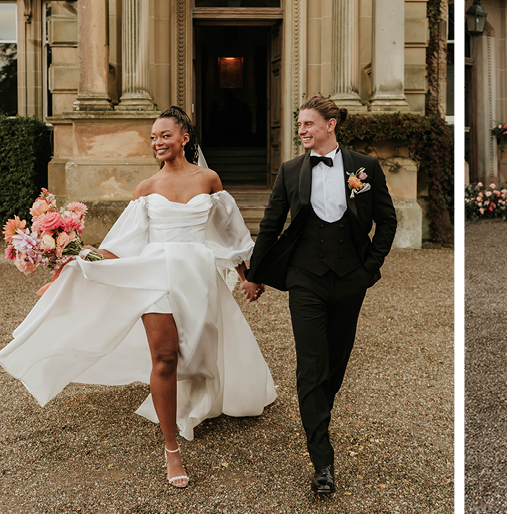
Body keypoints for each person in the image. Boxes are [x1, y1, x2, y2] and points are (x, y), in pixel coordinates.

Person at [0, 106, 276, 488]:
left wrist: (248, 276)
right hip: (153, 275)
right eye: (153, 137)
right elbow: (119, 246)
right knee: (164, 358)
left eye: (165, 135)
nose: (157, 142)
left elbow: (228, 234)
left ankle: (199, 398)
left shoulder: (209, 180)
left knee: (196, 354)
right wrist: (73, 263)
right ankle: (171, 450)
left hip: (197, 277)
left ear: (184, 137)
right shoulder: (146, 189)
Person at [241, 95, 397, 496]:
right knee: (310, 364)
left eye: (309, 124)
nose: (302, 131)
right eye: (299, 126)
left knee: (336, 362)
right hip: (305, 278)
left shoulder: (366, 167)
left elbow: (387, 219)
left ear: (331, 124)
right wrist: (255, 276)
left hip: (351, 279)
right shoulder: (291, 171)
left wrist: (370, 269)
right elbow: (272, 223)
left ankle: (317, 413)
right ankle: (322, 462)